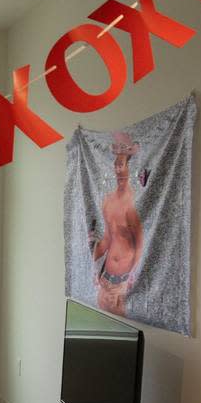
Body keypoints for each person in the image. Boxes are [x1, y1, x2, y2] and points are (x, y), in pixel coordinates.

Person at [89, 131, 144, 316]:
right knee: (98, 330)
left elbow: (141, 246)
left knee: (125, 333)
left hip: (122, 284)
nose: (117, 169)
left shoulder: (135, 204)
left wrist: (129, 280)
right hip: (105, 281)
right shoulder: (108, 201)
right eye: (115, 164)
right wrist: (91, 262)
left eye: (121, 164)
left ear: (130, 167)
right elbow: (106, 239)